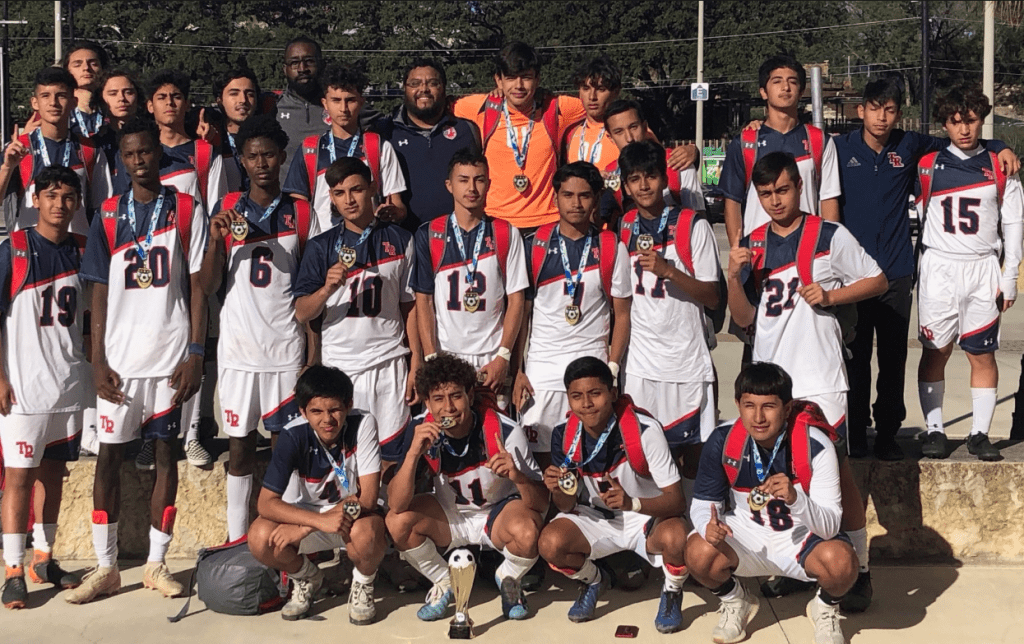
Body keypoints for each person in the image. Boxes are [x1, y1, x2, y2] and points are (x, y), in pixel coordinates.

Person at [726, 151, 887, 611]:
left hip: (820, 376)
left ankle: (859, 568)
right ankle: (802, 564)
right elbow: (743, 318)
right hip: (772, 384)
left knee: (838, 475)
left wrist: (832, 294)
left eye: (782, 190)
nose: (775, 201)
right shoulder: (752, 242)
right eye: (765, 194)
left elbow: (877, 279)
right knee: (785, 474)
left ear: (798, 186)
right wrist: (734, 277)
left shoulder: (829, 234)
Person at [834, 76, 1018, 460]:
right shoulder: (849, 150)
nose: (963, 127)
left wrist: (1001, 145)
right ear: (860, 110)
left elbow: (1010, 218)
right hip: (893, 270)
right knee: (886, 354)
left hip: (939, 269)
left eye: (890, 110)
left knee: (923, 357)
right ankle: (887, 432)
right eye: (954, 120)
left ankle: (945, 433)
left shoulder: (930, 151)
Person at [65, 116, 207, 605]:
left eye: (147, 151)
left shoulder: (186, 208)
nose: (140, 160)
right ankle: (105, 568)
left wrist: (195, 352)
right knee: (108, 458)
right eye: (130, 154)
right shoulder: (107, 213)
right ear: (121, 160)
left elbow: (198, 286)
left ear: (158, 155)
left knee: (167, 457)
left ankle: (155, 563)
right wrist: (98, 358)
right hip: (121, 364)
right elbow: (98, 291)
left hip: (169, 357)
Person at [198, 115, 318, 542]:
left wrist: (312, 357)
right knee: (239, 446)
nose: (261, 162)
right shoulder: (227, 210)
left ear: (283, 158)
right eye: (252, 156)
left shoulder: (301, 212)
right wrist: (215, 240)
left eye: (269, 154)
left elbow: (311, 291)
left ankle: (292, 540)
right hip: (238, 350)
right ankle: (237, 539)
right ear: (241, 161)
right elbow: (208, 285)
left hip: (285, 350)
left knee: (290, 448)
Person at [686, 362, 859, 644]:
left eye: (769, 406)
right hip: (749, 534)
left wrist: (796, 499)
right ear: (737, 405)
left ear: (787, 408)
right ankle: (735, 601)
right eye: (748, 405)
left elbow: (829, 526)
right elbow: (704, 502)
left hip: (802, 537)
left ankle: (825, 608)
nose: (758, 417)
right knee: (696, 551)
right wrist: (708, 524)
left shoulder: (815, 445)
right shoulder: (723, 439)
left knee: (841, 564)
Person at [386, 354, 547, 622]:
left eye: (456, 396)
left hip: (495, 515)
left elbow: (542, 504)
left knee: (528, 530)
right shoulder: (419, 429)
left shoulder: (505, 431)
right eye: (438, 399)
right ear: (427, 403)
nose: (448, 407)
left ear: (470, 396)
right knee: (397, 522)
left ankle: (508, 577)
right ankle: (444, 583)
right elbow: (396, 505)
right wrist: (414, 454)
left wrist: (518, 477)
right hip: (451, 515)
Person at [539, 357, 689, 632]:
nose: (586, 404)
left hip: (645, 516)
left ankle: (671, 592)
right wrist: (557, 488)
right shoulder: (564, 435)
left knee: (677, 537)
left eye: (595, 393)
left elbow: (677, 501)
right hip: (599, 518)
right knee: (550, 543)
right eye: (576, 396)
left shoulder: (644, 430)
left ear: (613, 393)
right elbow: (566, 504)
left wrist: (631, 502)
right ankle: (593, 580)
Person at [916, 86, 1023, 462]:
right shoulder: (926, 163)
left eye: (971, 120)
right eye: (955, 121)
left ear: (982, 119)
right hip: (939, 268)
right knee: (936, 350)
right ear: (944, 123)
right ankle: (934, 430)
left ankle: (980, 433)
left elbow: (1013, 226)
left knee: (982, 354)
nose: (963, 129)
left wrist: (1009, 276)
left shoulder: (1000, 165)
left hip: (982, 268)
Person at [294, 156, 420, 463]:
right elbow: (302, 312)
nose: (349, 200)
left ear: (373, 189)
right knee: (348, 458)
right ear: (331, 199)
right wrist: (325, 289)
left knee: (392, 455)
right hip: (341, 365)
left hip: (389, 362)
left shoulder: (401, 239)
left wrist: (416, 360)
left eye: (356, 190)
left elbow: (410, 307)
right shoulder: (321, 246)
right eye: (339, 193)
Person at [0, 167, 88, 609]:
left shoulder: (83, 251)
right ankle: (13, 568)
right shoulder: (14, 249)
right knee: (18, 477)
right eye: (51, 195)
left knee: (53, 475)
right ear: (35, 198)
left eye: (68, 196)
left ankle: (43, 559)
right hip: (24, 387)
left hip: (68, 385)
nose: (59, 204)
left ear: (77, 203)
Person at [616, 140, 721, 501]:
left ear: (664, 178)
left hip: (686, 364)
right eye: (634, 179)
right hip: (642, 367)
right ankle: (657, 543)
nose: (643, 185)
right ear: (625, 186)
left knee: (694, 461)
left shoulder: (693, 226)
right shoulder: (624, 225)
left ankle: (695, 535)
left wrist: (670, 272)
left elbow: (712, 296)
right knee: (643, 458)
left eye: (650, 176)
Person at [513, 161, 631, 467]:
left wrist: (613, 369)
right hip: (542, 370)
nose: (576, 203)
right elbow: (522, 313)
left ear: (596, 199)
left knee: (588, 455)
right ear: (555, 197)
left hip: (590, 367)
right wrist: (518, 368)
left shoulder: (610, 246)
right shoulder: (533, 245)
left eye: (584, 196)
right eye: (568, 195)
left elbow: (622, 314)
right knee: (537, 462)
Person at [248, 365, 385, 623]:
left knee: (368, 534)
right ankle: (307, 577)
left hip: (356, 515)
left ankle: (363, 582)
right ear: (302, 412)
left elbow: (367, 499)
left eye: (334, 409)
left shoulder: (364, 422)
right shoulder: (293, 434)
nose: (327, 420)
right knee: (259, 537)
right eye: (316, 411)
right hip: (313, 513)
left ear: (348, 404)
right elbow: (266, 503)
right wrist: (315, 522)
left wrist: (304, 528)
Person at [141, 69, 227, 468]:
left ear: (187, 104)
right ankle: (152, 433)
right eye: (162, 97)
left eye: (177, 96)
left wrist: (213, 251)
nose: (170, 103)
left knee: (198, 345)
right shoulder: (141, 151)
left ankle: (192, 433)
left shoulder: (205, 153)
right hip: (152, 261)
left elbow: (220, 210)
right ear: (150, 105)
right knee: (151, 345)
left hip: (194, 258)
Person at [409, 148, 527, 413]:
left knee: (493, 439)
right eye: (463, 180)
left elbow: (516, 300)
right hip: (447, 356)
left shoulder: (505, 233)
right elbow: (423, 302)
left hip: (491, 359)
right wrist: (431, 359)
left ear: (489, 183)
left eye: (479, 179)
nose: (472, 187)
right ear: (449, 185)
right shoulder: (429, 234)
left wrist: (504, 357)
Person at [453, 42, 586, 230]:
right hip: (496, 221)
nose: (519, 86)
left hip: (547, 222)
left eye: (526, 78)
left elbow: (599, 106)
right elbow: (439, 107)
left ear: (537, 79)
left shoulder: (556, 108)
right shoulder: (482, 107)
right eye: (510, 78)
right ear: (498, 81)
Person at [720, 55, 840, 248]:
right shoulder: (744, 142)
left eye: (792, 82)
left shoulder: (820, 141)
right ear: (763, 92)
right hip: (759, 254)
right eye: (777, 81)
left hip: (806, 248)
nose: (785, 87)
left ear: (801, 92)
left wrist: (828, 249)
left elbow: (828, 200)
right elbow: (732, 202)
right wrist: (738, 249)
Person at [283, 65, 406, 232]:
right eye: (336, 100)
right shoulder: (310, 149)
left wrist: (392, 212)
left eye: (350, 100)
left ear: (361, 101)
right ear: (325, 103)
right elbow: (297, 207)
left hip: (368, 241)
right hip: (322, 244)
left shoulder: (378, 147)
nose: (343, 108)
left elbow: (398, 205)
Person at [0, 67, 112, 237]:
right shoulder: (17, 149)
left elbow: (102, 208)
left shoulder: (90, 149)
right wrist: (7, 168)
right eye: (45, 96)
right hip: (30, 250)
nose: (53, 103)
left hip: (77, 251)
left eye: (61, 95)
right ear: (34, 102)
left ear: (73, 102)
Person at [376, 58, 481, 231]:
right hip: (405, 239)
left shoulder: (466, 130)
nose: (424, 89)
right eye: (415, 83)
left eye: (432, 83)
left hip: (459, 238)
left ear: (444, 87)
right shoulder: (385, 131)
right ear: (405, 89)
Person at [601, 99, 705, 226]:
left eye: (633, 127)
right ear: (610, 137)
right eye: (619, 132)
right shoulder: (610, 176)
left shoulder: (677, 163)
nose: (629, 138)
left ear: (644, 127)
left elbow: (699, 222)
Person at [564, 56, 623, 170]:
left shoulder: (629, 130)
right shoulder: (570, 131)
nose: (592, 97)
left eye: (601, 89)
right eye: (586, 88)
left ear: (615, 92)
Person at [92, 69, 143, 197]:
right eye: (113, 93)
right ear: (101, 99)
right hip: (106, 212)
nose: (122, 99)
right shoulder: (94, 145)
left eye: (128, 92)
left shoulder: (152, 139)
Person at [211, 68, 262, 193]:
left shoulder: (268, 140)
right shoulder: (212, 139)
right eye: (234, 94)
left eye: (249, 94)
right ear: (219, 100)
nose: (243, 100)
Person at [62, 40, 109, 139]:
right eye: (77, 64)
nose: (86, 68)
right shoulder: (58, 110)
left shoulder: (112, 108)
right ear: (67, 70)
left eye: (93, 64)